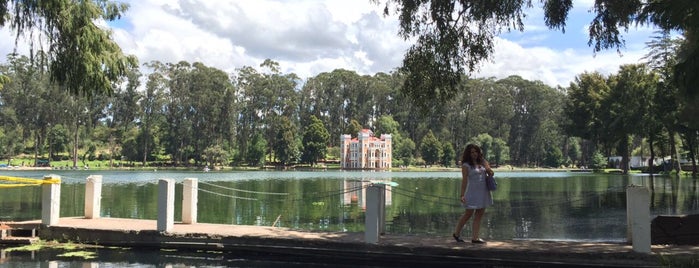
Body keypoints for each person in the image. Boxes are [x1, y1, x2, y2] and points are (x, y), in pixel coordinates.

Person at [453, 144, 494, 244]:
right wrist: (462, 195)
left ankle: (475, 238)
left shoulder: (483, 162)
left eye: (476, 151)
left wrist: (487, 167)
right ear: (468, 153)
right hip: (472, 192)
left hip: (483, 191)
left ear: (479, 152)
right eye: (472, 152)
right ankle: (456, 233)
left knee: (479, 214)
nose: (474, 154)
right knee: (468, 214)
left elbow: (491, 174)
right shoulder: (466, 165)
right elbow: (464, 181)